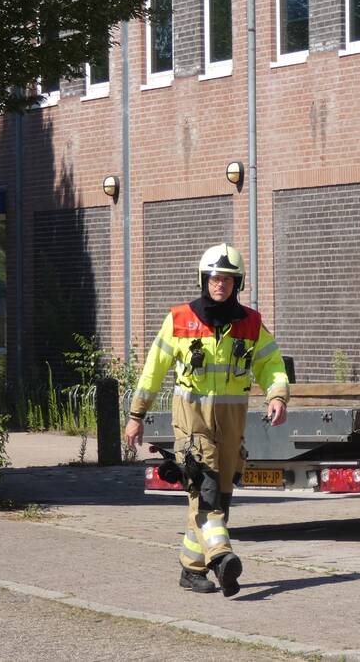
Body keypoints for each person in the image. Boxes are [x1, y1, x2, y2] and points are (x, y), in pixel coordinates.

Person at [124, 243, 290, 597]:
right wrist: (136, 415)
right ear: (204, 279)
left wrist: (277, 395)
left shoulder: (251, 324)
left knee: (220, 494)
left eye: (228, 279)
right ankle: (222, 558)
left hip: (231, 423)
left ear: (237, 284)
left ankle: (191, 568)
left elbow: (272, 365)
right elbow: (153, 371)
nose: (221, 285)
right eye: (215, 278)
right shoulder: (180, 320)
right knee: (207, 489)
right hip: (192, 422)